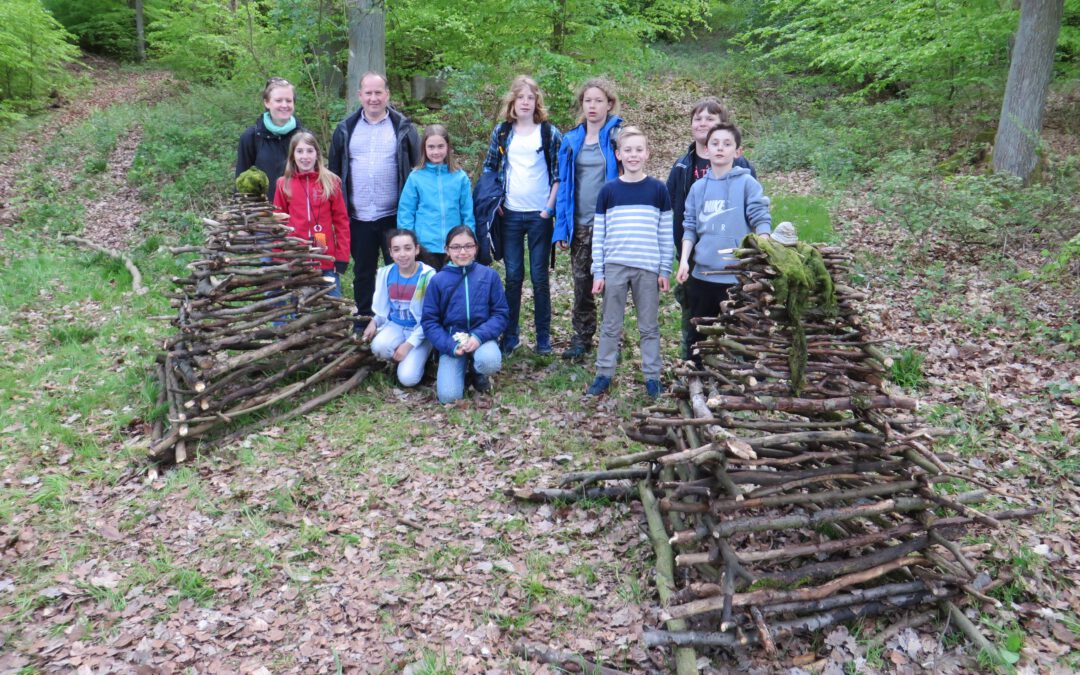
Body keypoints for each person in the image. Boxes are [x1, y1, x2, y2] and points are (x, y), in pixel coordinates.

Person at [585, 126, 673, 399]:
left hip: (647, 267)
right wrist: (598, 271)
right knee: (611, 324)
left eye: (638, 150)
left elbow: (665, 232)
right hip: (615, 266)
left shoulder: (658, 190)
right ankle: (604, 373)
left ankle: (652, 377)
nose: (633, 155)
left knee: (649, 326)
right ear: (618, 155)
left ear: (647, 153)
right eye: (628, 150)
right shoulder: (609, 191)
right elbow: (598, 235)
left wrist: (664, 268)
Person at [667, 97, 758, 359]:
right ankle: (694, 373)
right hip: (695, 261)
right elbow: (679, 214)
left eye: (710, 118)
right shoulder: (682, 166)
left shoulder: (742, 168)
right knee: (694, 323)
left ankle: (736, 374)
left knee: (738, 323)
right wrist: (681, 255)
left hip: (734, 265)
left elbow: (753, 213)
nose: (703, 123)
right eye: (698, 118)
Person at [328, 72, 421, 326]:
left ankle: (400, 321)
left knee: (401, 269)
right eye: (368, 93)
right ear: (359, 95)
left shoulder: (403, 128)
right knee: (363, 272)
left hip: (394, 215)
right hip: (358, 216)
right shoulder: (345, 129)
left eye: (378, 92)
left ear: (387, 94)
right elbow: (334, 174)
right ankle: (364, 320)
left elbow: (417, 169)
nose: (373, 98)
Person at [480, 75, 561, 356]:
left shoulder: (549, 133)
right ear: (512, 101)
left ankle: (543, 338)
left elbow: (559, 174)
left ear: (536, 102)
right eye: (520, 97)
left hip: (540, 215)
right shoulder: (502, 132)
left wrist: (549, 208)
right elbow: (490, 168)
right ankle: (510, 336)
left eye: (531, 98)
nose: (525, 102)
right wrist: (494, 202)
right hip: (510, 213)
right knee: (513, 276)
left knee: (539, 277)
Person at [675, 123, 771, 350]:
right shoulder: (698, 188)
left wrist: (765, 250)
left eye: (727, 144)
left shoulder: (748, 184)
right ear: (706, 149)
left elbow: (761, 218)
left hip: (738, 279)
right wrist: (683, 262)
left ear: (738, 152)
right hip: (703, 276)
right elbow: (689, 227)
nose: (720, 148)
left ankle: (741, 381)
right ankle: (698, 379)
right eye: (715, 143)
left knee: (741, 339)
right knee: (700, 338)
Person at [554, 78, 624, 360]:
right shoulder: (571, 140)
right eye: (588, 101)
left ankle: (611, 342)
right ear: (582, 104)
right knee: (582, 286)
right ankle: (581, 339)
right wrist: (561, 228)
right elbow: (563, 185)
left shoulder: (619, 135)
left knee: (612, 287)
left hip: (612, 224)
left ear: (609, 104)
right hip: (580, 225)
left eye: (598, 101)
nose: (592, 106)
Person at [421, 226, 509, 404]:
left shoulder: (489, 276)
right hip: (453, 341)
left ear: (476, 248)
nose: (463, 252)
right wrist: (449, 345)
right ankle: (461, 366)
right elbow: (430, 322)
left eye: (468, 246)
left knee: (489, 361)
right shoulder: (438, 281)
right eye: (456, 247)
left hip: (481, 337)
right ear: (447, 250)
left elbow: (500, 314)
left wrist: (478, 337)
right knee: (448, 397)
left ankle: (478, 370)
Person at [272, 132, 350, 296]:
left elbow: (341, 222)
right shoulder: (283, 184)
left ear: (317, 154)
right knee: (298, 307)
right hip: (296, 259)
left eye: (309, 151)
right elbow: (278, 224)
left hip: (326, 259)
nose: (305, 156)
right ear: (292, 155)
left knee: (333, 308)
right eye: (299, 151)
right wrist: (279, 257)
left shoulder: (331, 182)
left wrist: (342, 256)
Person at [362, 230, 437, 387]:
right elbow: (383, 307)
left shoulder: (428, 276)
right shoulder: (385, 273)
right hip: (396, 325)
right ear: (390, 252)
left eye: (407, 248)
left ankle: (423, 356)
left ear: (416, 249)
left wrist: (408, 345)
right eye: (396, 249)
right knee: (378, 347)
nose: (402, 254)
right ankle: (399, 359)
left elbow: (431, 318)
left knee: (408, 379)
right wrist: (374, 322)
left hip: (420, 330)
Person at [397, 124, 475, 270]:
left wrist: (470, 242)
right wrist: (409, 243)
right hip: (425, 247)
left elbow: (467, 213)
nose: (436, 151)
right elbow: (406, 212)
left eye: (440, 146)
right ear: (424, 149)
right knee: (428, 290)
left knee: (452, 289)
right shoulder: (416, 177)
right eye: (431, 147)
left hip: (455, 247)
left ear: (448, 147)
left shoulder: (460, 177)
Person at [237, 77, 304, 203]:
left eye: (289, 100)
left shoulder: (304, 137)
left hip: (298, 213)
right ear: (267, 102)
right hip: (263, 214)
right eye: (278, 100)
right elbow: (241, 182)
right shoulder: (251, 137)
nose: (284, 105)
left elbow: (314, 180)